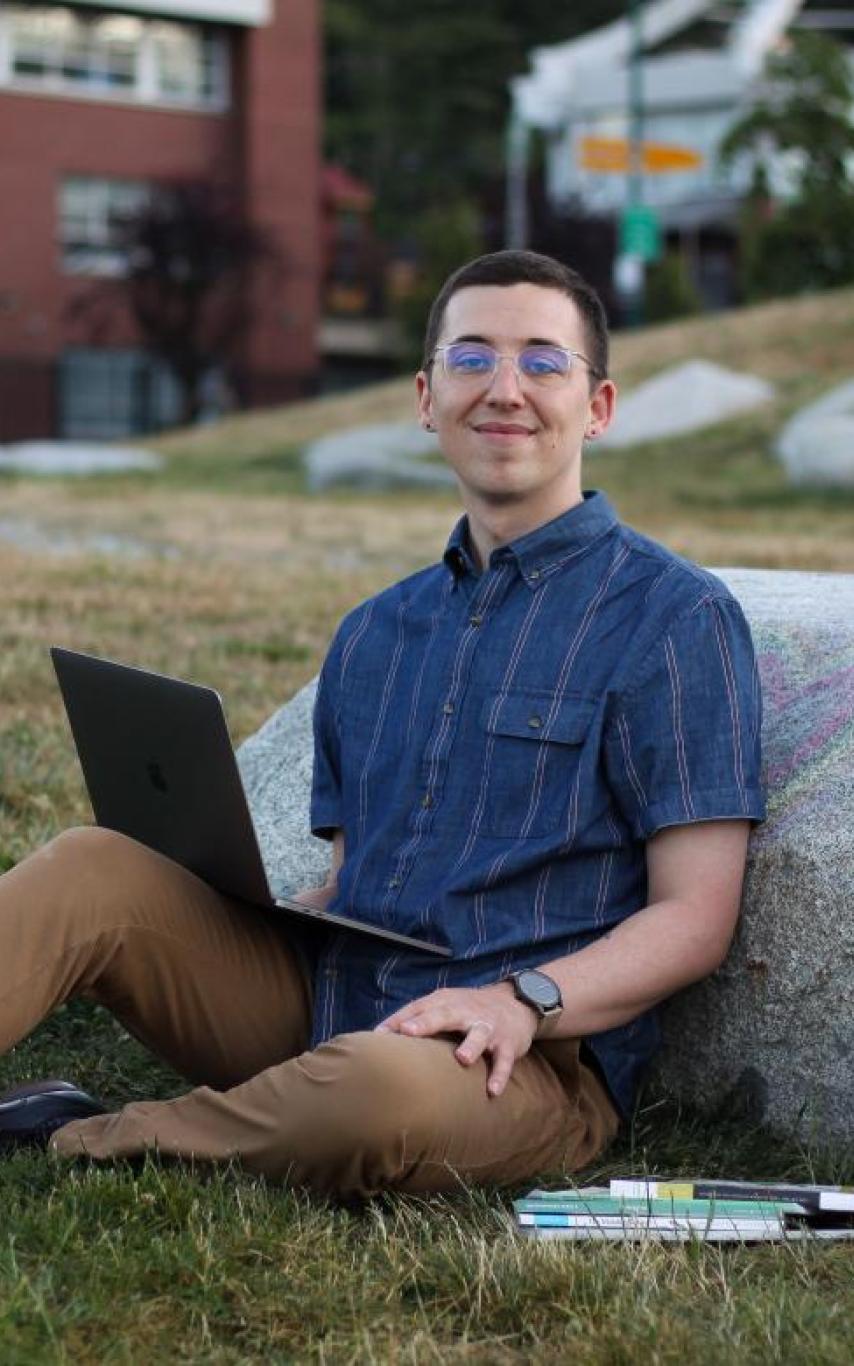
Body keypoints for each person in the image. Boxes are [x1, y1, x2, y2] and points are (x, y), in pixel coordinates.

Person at [0, 251, 764, 1197]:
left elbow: (696, 918)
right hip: (329, 1000)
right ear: (426, 395)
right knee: (91, 865)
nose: (504, 389)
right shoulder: (374, 632)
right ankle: (268, 1105)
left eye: (542, 361)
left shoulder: (675, 619)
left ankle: (80, 1135)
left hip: (509, 1061)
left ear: (597, 407)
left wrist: (523, 1000)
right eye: (472, 358)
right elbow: (351, 877)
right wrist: (231, 901)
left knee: (368, 1099)